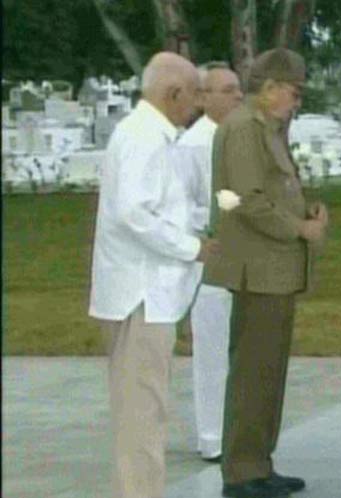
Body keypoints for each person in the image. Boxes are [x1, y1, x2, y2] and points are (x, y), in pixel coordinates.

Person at [88, 51, 218, 498]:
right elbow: (134, 214)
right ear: (173, 93)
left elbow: (168, 206)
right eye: (196, 94)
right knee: (141, 416)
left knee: (147, 412)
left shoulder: (157, 136)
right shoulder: (143, 136)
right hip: (139, 295)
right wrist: (192, 247)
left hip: (151, 294)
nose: (199, 105)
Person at [203, 48, 328, 498]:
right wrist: (301, 228)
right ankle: (240, 472)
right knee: (252, 374)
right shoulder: (242, 129)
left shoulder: (265, 128)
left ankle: (258, 463)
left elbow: (273, 190)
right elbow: (245, 199)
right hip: (258, 271)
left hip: (275, 270)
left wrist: (304, 211)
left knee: (267, 374)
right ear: (271, 87)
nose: (295, 102)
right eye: (292, 93)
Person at [178, 61, 243, 462]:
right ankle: (213, 437)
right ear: (203, 98)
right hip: (211, 256)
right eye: (226, 90)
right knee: (213, 347)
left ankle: (237, 434)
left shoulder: (232, 137)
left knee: (239, 348)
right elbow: (184, 206)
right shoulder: (194, 145)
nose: (237, 96)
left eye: (238, 89)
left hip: (242, 253)